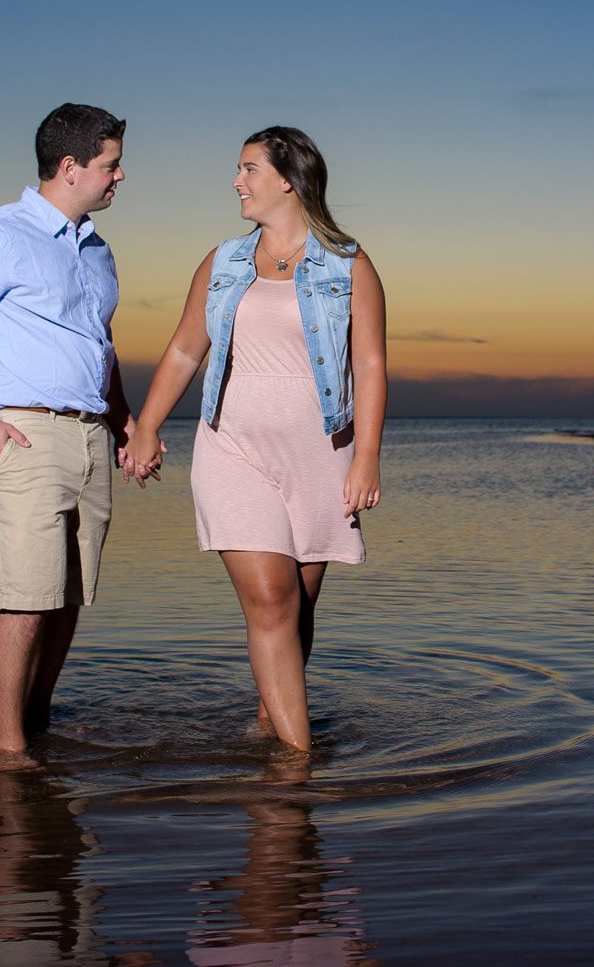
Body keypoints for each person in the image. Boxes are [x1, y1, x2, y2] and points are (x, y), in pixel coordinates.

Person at [127, 126, 387, 752]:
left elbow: (371, 364)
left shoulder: (349, 264)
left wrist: (368, 458)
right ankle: (298, 764)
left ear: (290, 180)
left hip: (321, 454)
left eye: (248, 169)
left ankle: (272, 722)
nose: (237, 181)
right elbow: (188, 347)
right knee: (271, 601)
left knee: (297, 608)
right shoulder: (222, 262)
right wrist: (148, 426)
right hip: (233, 447)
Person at [0, 103, 141, 760]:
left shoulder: (98, 250)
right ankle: (9, 754)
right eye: (111, 163)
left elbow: (102, 346)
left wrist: (123, 424)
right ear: (70, 167)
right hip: (20, 437)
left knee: (67, 598)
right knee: (26, 598)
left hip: (89, 437)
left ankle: (36, 724)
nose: (121, 175)